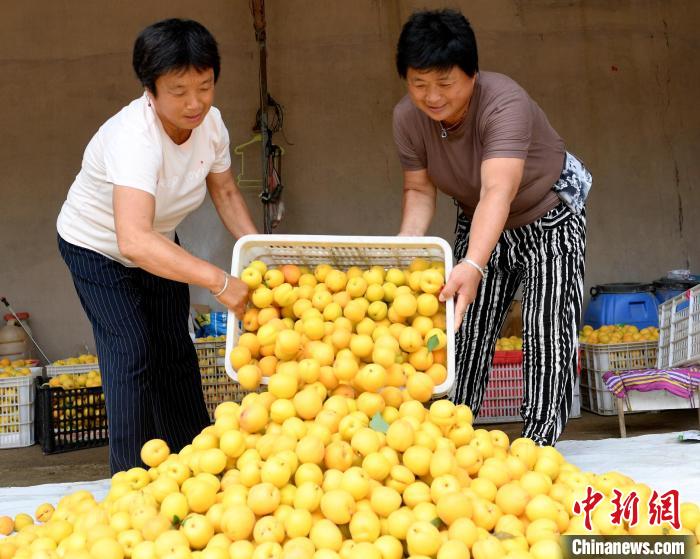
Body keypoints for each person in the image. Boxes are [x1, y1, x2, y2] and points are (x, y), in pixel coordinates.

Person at [56, 18, 258, 473]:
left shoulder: (211, 124)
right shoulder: (134, 139)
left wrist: (260, 252)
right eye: (178, 91)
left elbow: (226, 192)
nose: (195, 103)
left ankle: (196, 464)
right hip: (96, 246)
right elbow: (132, 240)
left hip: (158, 239)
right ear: (150, 90)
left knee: (174, 348)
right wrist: (219, 281)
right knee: (131, 350)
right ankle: (130, 478)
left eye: (204, 86)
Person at [393, 9, 591, 445]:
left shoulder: (505, 103)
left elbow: (498, 190)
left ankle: (538, 444)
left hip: (548, 214)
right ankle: (446, 437)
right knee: (463, 328)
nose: (432, 97)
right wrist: (406, 249)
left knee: (546, 329)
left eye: (445, 83)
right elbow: (419, 190)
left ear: (473, 75)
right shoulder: (407, 118)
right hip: (476, 214)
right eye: (419, 84)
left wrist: (473, 264)